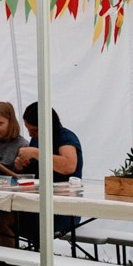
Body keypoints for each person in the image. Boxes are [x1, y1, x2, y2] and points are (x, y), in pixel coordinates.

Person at [13, 102, 85, 246]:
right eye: (28, 130)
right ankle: (7, 261)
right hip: (37, 203)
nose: (30, 134)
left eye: (34, 130)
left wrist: (35, 152)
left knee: (4, 220)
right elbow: (35, 173)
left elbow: (68, 166)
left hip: (62, 210)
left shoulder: (65, 137)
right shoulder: (36, 140)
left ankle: (11, 263)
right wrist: (20, 166)